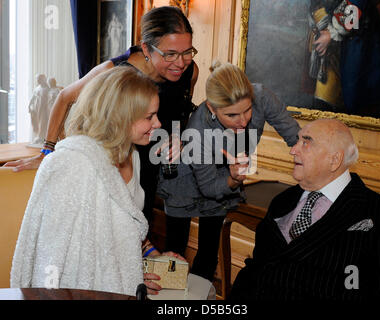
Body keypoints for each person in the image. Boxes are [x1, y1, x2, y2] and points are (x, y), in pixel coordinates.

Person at [4, 6, 199, 225]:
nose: (181, 63)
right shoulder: (113, 71)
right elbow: (64, 98)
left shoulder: (190, 72)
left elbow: (181, 113)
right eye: (170, 54)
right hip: (120, 165)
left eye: (187, 52)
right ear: (146, 48)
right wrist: (46, 151)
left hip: (163, 168)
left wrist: (180, 138)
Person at [11, 66, 184, 296]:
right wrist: (127, 271)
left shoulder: (131, 154)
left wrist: (152, 256)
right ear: (120, 117)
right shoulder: (72, 165)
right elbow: (57, 261)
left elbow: (123, 231)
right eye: (149, 117)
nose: (158, 124)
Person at [230, 119, 380, 300]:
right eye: (297, 141)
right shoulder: (282, 201)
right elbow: (255, 269)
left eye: (306, 142)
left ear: (334, 159)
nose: (293, 150)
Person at [157, 61, 300, 281]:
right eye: (232, 115)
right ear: (212, 109)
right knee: (174, 256)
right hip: (184, 182)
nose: (243, 121)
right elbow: (208, 186)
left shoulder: (261, 96)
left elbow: (294, 135)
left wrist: (312, 160)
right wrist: (233, 179)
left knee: (207, 256)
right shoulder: (198, 128)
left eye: (247, 110)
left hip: (224, 176)